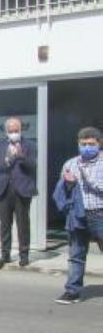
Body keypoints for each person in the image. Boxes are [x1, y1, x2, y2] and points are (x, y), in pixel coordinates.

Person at [53, 127, 103, 305]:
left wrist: (86, 178)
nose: (87, 147)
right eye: (83, 144)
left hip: (100, 214)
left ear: (99, 144)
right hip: (78, 215)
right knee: (76, 254)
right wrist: (66, 184)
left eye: (91, 144)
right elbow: (63, 192)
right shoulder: (70, 163)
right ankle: (72, 291)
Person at [0, 116, 38, 269]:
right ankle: (5, 255)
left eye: (16, 130)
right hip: (3, 189)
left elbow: (33, 166)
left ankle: (24, 256)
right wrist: (8, 159)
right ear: (6, 131)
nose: (13, 133)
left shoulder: (29, 144)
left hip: (22, 190)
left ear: (21, 130)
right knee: (5, 224)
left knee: (23, 224)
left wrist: (21, 156)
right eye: (10, 130)